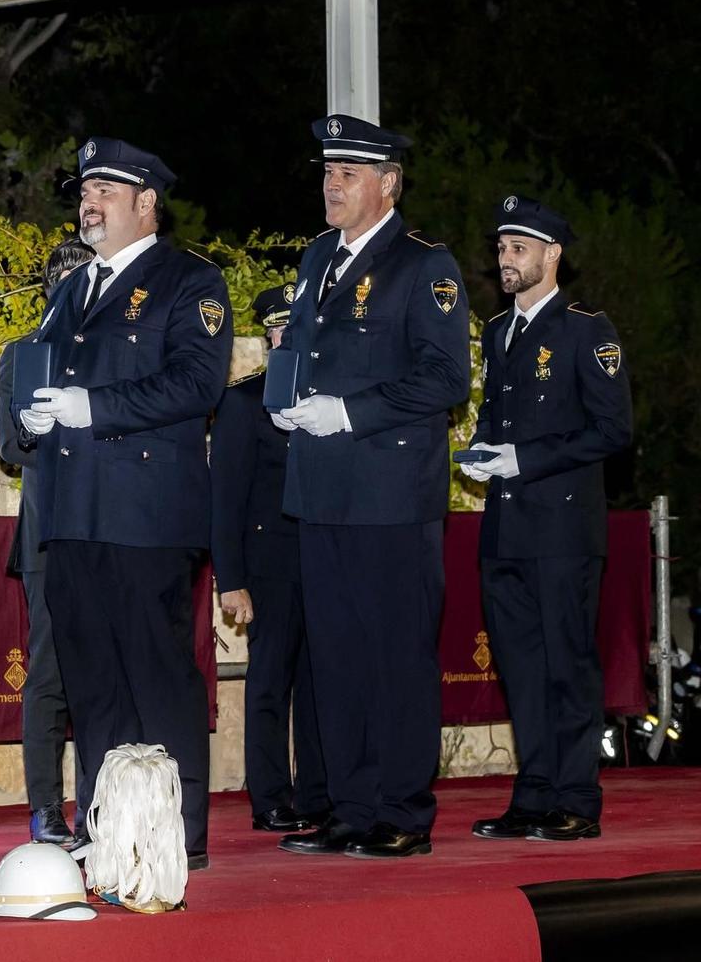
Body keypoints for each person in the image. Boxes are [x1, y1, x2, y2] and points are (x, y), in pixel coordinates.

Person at [17, 138, 228, 869]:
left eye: (107, 188)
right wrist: (33, 414)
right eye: (84, 188)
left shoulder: (189, 281)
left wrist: (91, 404)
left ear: (147, 202)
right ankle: (109, 826)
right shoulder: (75, 289)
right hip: (74, 514)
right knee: (92, 681)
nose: (89, 200)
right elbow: (41, 371)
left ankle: (179, 833)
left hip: (146, 515)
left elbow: (196, 384)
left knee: (157, 676)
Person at [273, 115, 469, 860]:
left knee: (395, 653)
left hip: (390, 493)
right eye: (328, 171)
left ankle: (401, 810)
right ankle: (349, 807)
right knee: (336, 654)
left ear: (388, 183)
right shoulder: (318, 256)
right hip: (319, 488)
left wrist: (349, 411)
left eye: (348, 172)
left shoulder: (425, 264)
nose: (332, 184)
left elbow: (447, 376)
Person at [463, 195, 631, 842]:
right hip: (505, 529)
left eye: (518, 248)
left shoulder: (587, 329)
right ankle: (532, 794)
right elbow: (496, 417)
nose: (505, 259)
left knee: (567, 665)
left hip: (562, 530)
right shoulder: (498, 332)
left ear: (551, 253)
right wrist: (483, 452)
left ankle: (575, 798)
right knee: (521, 668)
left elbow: (613, 429)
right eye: (501, 248)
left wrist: (523, 458)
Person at [210, 284, 327, 834]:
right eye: (277, 329)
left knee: (321, 681)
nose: (286, 337)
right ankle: (271, 795)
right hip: (269, 564)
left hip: (325, 557)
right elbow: (225, 498)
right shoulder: (242, 401)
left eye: (295, 327)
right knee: (270, 681)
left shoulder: (330, 399)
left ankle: (318, 791)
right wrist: (230, 579)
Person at [0, 236, 94, 844]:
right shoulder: (23, 351)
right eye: (60, 278)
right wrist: (31, 430)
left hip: (110, 529)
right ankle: (45, 809)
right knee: (50, 679)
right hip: (47, 538)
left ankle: (104, 808)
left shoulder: (115, 352)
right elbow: (9, 448)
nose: (69, 287)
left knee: (104, 677)